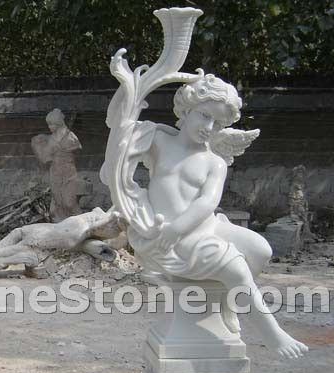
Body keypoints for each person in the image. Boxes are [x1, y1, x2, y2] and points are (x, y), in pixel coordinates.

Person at [128, 74, 307, 358]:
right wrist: (128, 96)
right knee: (235, 268)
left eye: (218, 123)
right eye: (204, 116)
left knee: (261, 249)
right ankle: (273, 335)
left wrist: (178, 227)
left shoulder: (214, 162)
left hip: (198, 226)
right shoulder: (159, 140)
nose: (209, 127)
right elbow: (119, 143)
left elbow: (207, 203)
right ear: (186, 109)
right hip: (173, 237)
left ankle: (228, 301)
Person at [0, 207, 123, 277]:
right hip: (63, 226)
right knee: (20, 232)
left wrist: (110, 218)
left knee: (29, 246)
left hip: (71, 233)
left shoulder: (117, 226)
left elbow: (94, 229)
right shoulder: (117, 207)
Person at [31, 108, 82, 221]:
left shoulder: (70, 136)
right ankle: (60, 224)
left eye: (51, 124)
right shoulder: (51, 139)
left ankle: (81, 222)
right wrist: (38, 143)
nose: (49, 127)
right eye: (48, 124)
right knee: (57, 202)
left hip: (68, 171)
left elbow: (77, 149)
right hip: (55, 172)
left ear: (58, 123)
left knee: (69, 202)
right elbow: (45, 156)